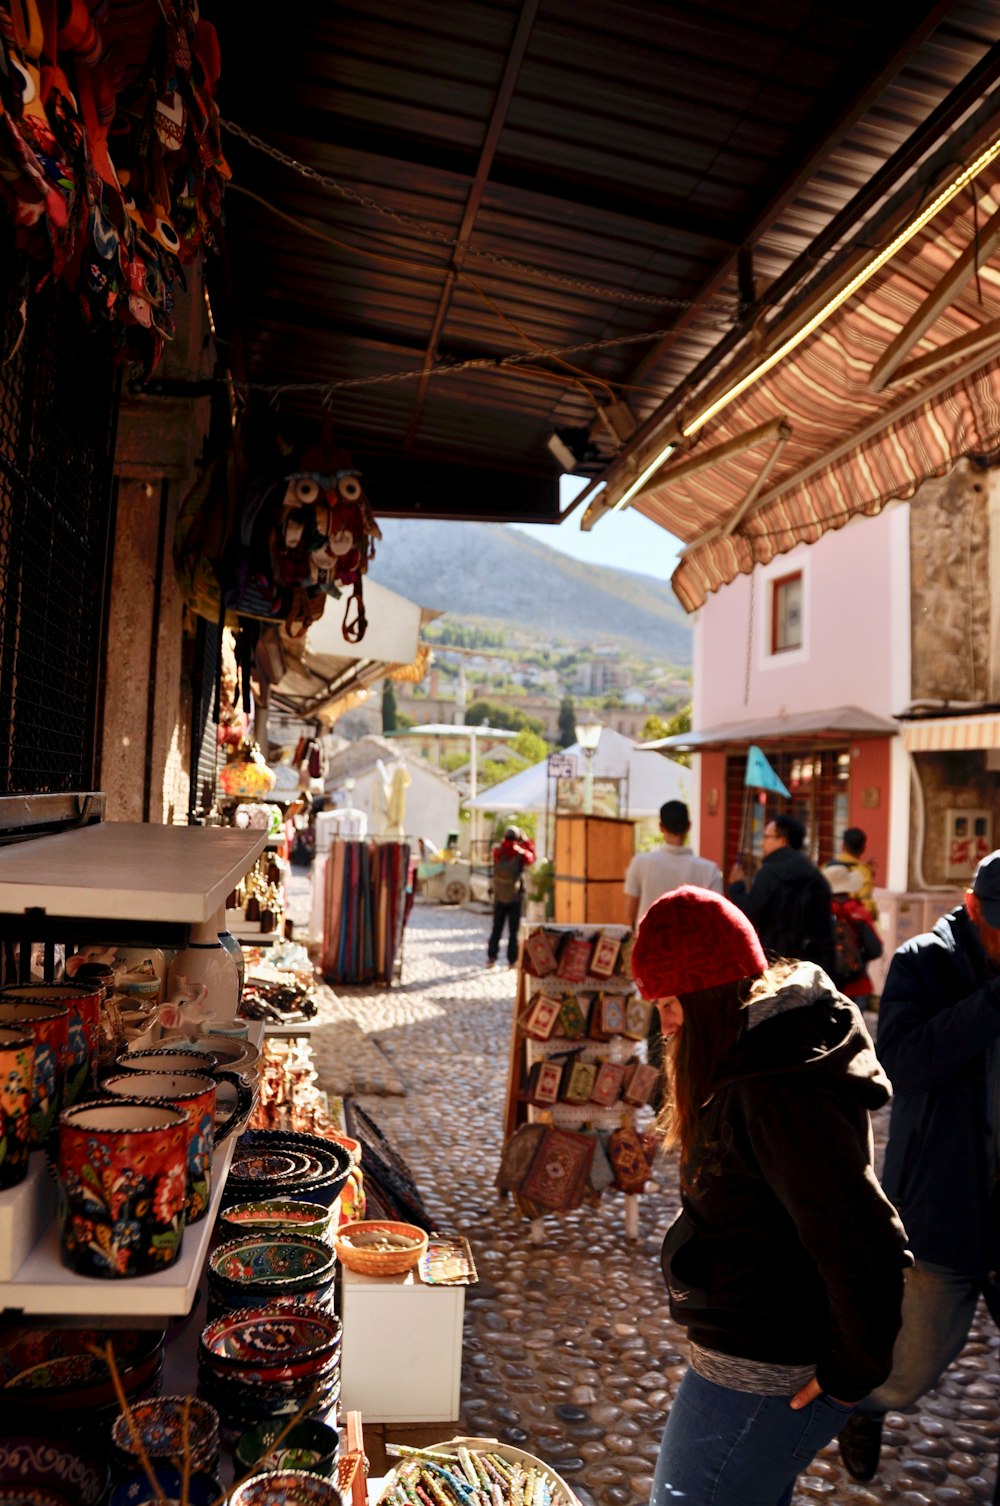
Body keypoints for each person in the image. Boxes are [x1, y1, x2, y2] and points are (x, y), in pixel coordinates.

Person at [631, 885, 909, 1506]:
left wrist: (850, 1376)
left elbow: (862, 1237)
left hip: (766, 1369)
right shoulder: (751, 1054)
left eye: (671, 1004)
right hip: (748, 1357)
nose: (664, 1025)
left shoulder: (777, 1086)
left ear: (707, 997)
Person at [836, 850, 1000, 1488]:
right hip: (942, 1204)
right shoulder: (920, 964)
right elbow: (901, 1065)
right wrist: (992, 1004)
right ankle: (864, 1407)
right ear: (974, 905)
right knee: (907, 1369)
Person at [729, 812, 836, 975]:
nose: (761, 842)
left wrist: (737, 887)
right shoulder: (815, 875)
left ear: (782, 840)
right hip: (813, 965)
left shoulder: (769, 872)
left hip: (776, 963)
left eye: (766, 836)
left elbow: (750, 914)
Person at [624, 799, 723, 928]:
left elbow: (630, 912)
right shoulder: (710, 870)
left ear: (660, 827)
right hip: (692, 945)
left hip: (649, 943)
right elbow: (717, 915)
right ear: (689, 826)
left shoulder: (641, 862)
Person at [826, 863, 883, 1011]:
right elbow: (875, 949)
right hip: (858, 985)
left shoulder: (822, 912)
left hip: (829, 985)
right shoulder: (859, 911)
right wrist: (856, 958)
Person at [487, 825, 535, 969]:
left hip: (499, 895)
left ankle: (492, 957)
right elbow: (532, 858)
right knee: (513, 931)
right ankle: (512, 961)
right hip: (515, 897)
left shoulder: (497, 851)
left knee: (496, 928)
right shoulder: (520, 853)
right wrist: (525, 841)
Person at [829, 827, 878, 922]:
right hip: (850, 927)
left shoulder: (827, 866)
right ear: (863, 848)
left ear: (843, 846)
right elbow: (867, 908)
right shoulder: (864, 872)